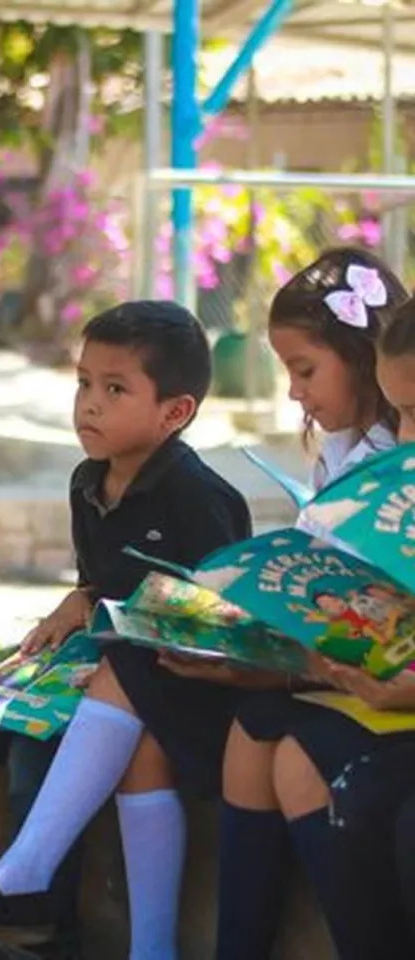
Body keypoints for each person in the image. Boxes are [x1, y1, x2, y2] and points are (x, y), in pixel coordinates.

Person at [0, 299, 253, 958]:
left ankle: (23, 879)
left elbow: (218, 618)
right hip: (130, 690)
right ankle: (136, 946)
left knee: (122, 682)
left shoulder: (198, 496)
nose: (89, 404)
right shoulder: (87, 483)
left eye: (115, 389)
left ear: (175, 412)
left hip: (200, 688)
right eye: (84, 383)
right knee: (41, 737)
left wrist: (113, 620)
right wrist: (82, 597)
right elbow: (110, 583)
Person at [213, 247, 411, 960]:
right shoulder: (340, 449)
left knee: (290, 750)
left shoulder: (392, 455)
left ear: (361, 358)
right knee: (253, 731)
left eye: (304, 370)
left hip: (384, 695)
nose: (294, 392)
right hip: (352, 676)